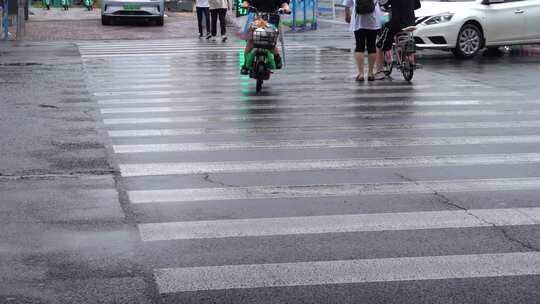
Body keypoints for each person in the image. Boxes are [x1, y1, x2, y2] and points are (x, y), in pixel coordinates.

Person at [240, 0, 290, 75]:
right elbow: (247, 2)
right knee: (250, 40)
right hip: (256, 19)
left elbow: (284, 3)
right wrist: (245, 5)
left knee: (271, 41)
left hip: (272, 19)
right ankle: (245, 65)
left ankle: (277, 58)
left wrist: (286, 9)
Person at [375, 0, 419, 77]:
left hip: (397, 23)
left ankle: (379, 71)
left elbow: (384, 5)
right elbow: (417, 5)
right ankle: (406, 56)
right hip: (411, 23)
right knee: (405, 37)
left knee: (379, 45)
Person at [344, 0, 382, 82]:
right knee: (371, 46)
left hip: (358, 20)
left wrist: (347, 15)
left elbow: (347, 5)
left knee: (359, 46)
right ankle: (370, 73)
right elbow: (384, 1)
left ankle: (361, 74)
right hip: (373, 20)